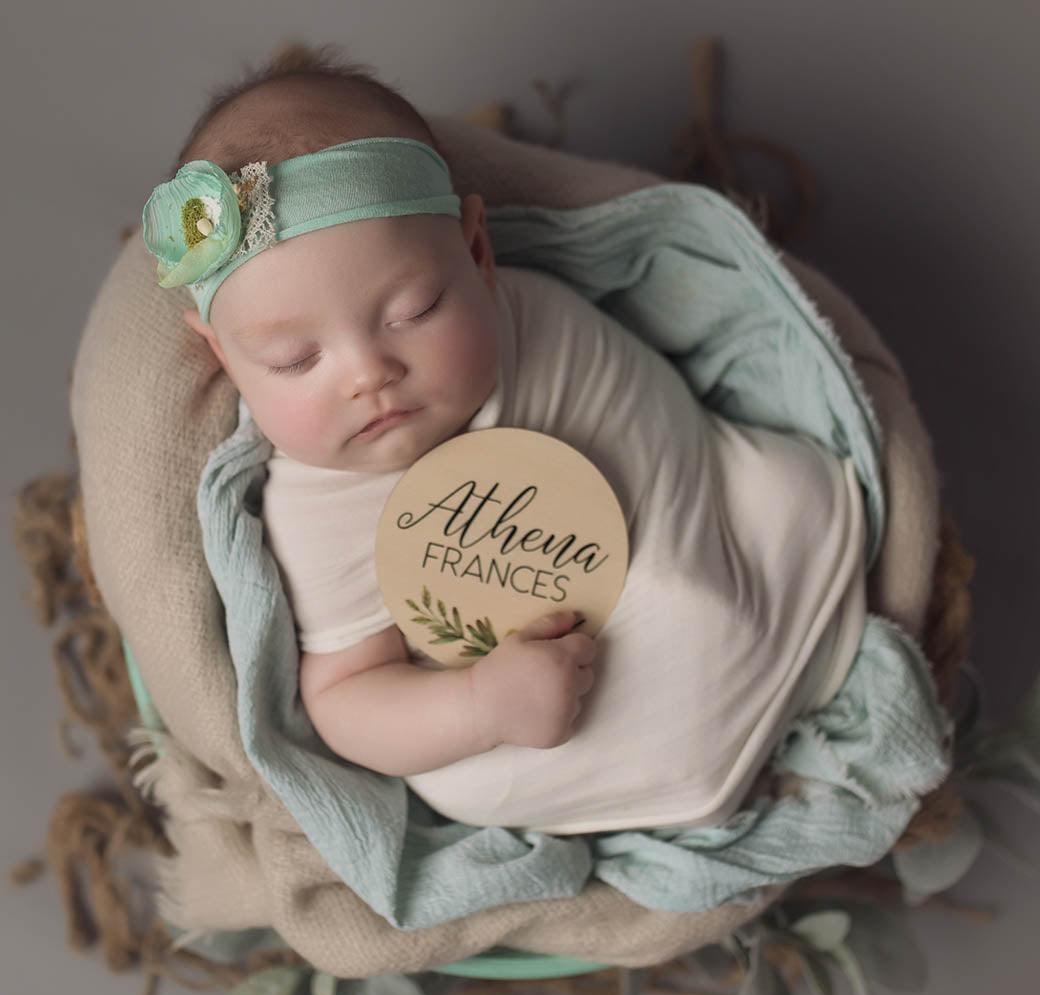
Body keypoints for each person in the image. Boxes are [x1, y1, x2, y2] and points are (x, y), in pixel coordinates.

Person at [142, 46, 867, 835]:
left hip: (759, 554)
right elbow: (346, 699)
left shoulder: (530, 317)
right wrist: (480, 705)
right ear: (224, 357)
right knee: (454, 780)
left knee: (788, 490)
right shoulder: (316, 504)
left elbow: (667, 413)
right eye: (294, 359)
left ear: (478, 253)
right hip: (603, 716)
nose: (367, 374)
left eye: (414, 309)